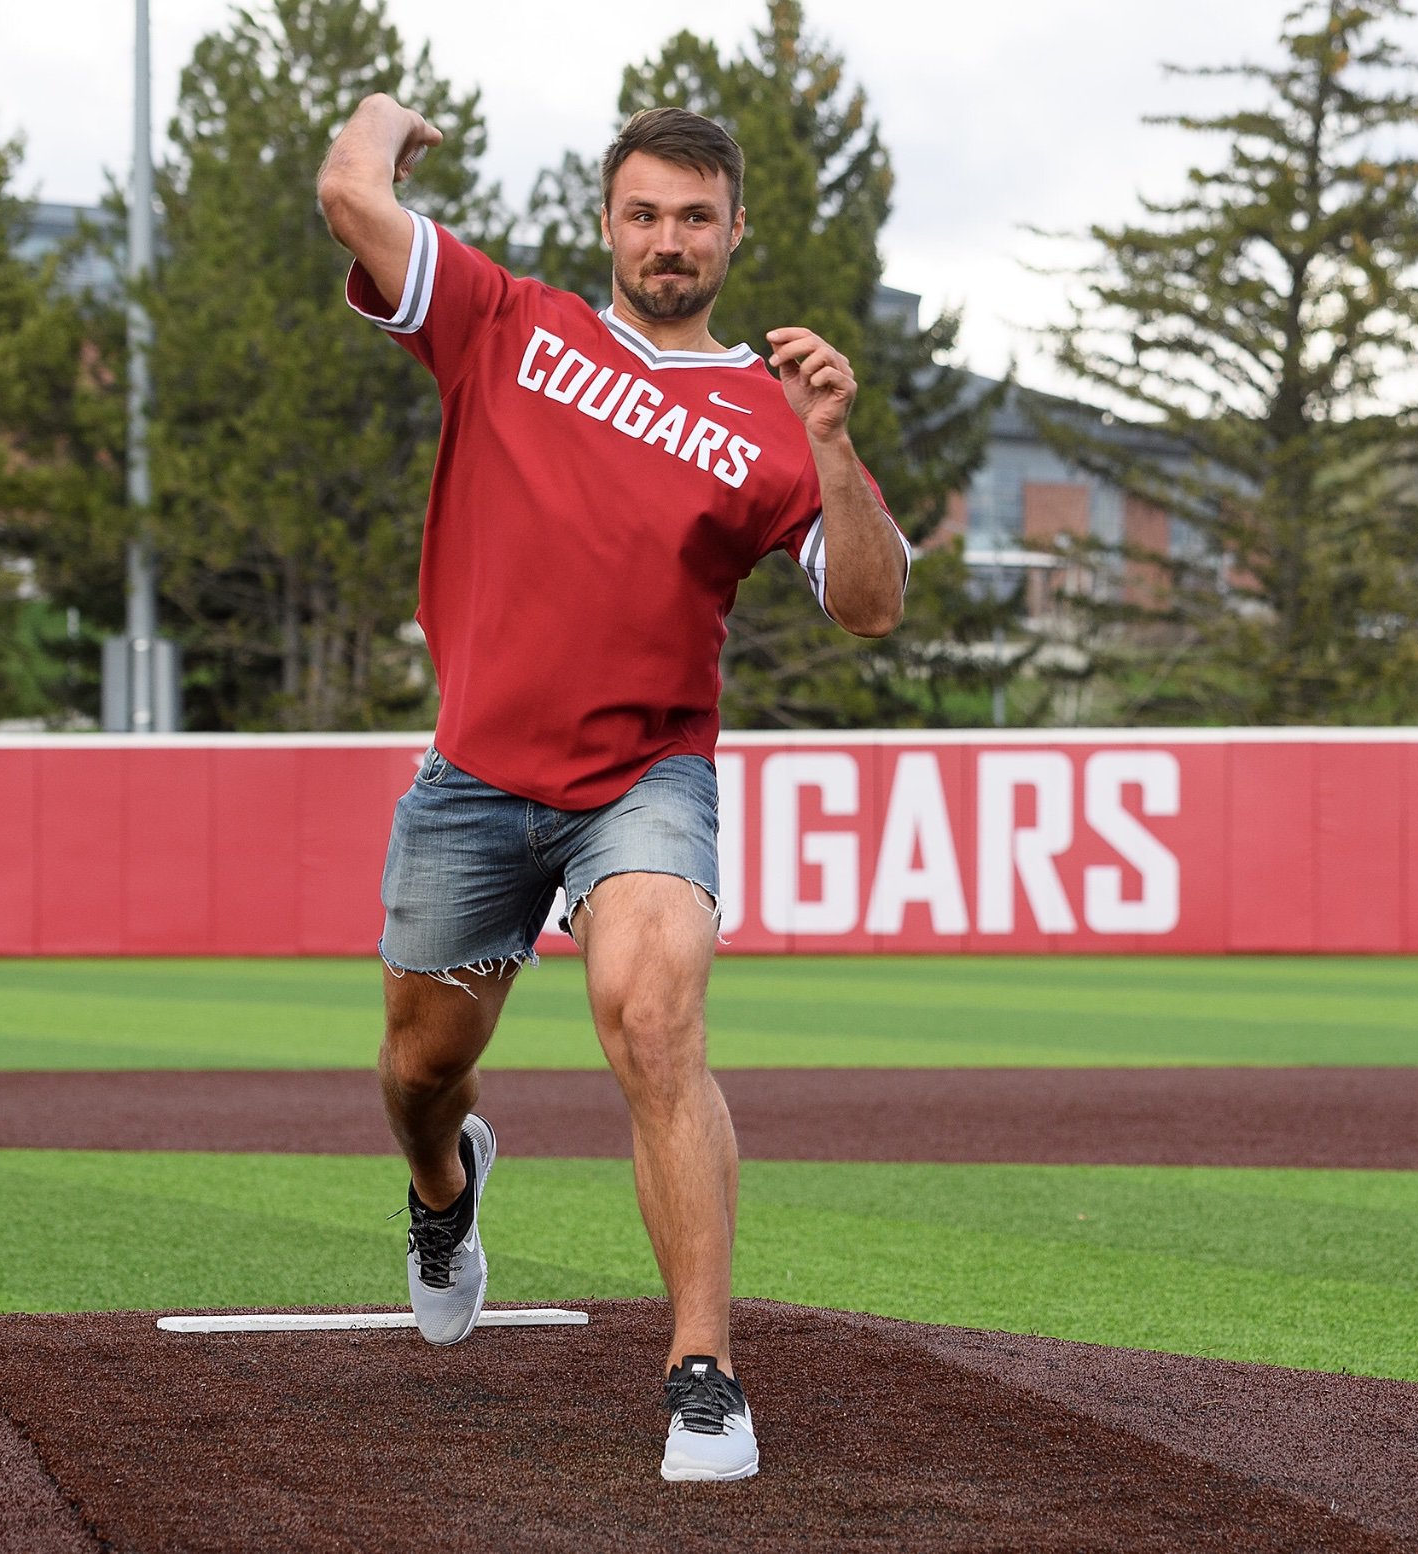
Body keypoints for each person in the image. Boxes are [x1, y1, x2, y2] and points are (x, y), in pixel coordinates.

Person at [315, 97, 909, 1483]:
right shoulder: (511, 324)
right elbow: (352, 201)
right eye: (645, 213)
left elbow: (872, 606)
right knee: (417, 1068)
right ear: (607, 222)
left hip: (647, 774)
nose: (669, 239)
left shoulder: (770, 413)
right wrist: (385, 121)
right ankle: (442, 1182)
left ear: (735, 231)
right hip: (476, 773)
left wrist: (828, 437)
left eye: (696, 216)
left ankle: (702, 1371)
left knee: (655, 1018)